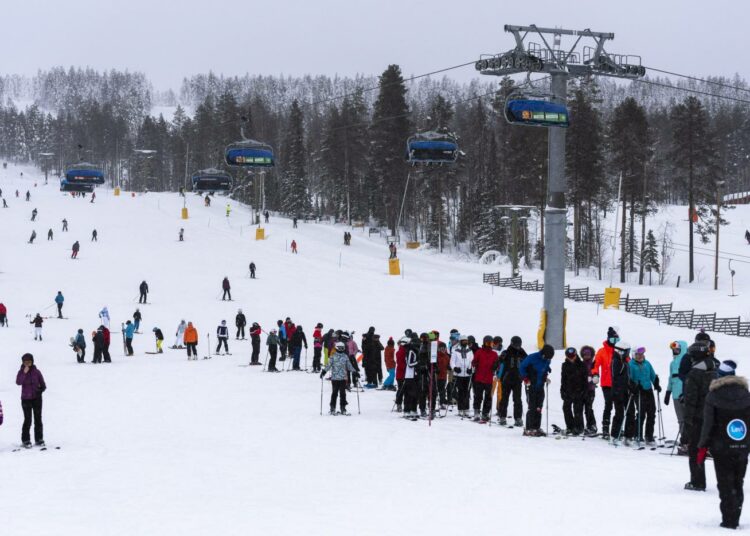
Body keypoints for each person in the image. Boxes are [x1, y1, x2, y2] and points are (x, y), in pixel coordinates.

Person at [698, 360, 750, 529]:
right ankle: (735, 514)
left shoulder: (713, 395)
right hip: (742, 445)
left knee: (725, 482)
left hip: (721, 447)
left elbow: (708, 423)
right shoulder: (746, 394)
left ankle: (729, 519)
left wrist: (702, 445)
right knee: (738, 481)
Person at [683, 338, 718, 491]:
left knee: (696, 449)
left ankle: (697, 482)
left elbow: (691, 400)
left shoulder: (694, 373)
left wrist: (687, 421)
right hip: (716, 415)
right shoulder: (716, 369)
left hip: (698, 417)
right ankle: (729, 482)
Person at [591, 326, 620, 439]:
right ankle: (605, 428)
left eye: (617, 340)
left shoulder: (619, 350)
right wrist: (595, 374)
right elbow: (595, 364)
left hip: (618, 383)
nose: (615, 342)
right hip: (607, 383)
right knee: (608, 405)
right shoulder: (602, 351)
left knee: (619, 406)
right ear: (608, 339)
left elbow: (628, 362)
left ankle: (617, 428)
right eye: (613, 340)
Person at [520, 344, 554, 436]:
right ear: (543, 353)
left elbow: (545, 369)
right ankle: (529, 428)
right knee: (532, 406)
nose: (548, 359)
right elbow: (522, 367)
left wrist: (545, 377)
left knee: (539, 407)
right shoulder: (532, 357)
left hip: (540, 385)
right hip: (530, 385)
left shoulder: (547, 359)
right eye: (547, 357)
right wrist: (526, 379)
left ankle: (536, 427)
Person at [629, 347, 661, 445]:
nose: (641, 356)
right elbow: (629, 378)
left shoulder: (647, 363)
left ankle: (649, 436)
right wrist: (634, 386)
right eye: (638, 355)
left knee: (651, 413)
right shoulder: (631, 365)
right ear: (634, 355)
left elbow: (652, 375)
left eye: (642, 354)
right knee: (641, 413)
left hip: (648, 390)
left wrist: (656, 383)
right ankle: (638, 435)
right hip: (639, 391)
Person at [16, 353, 46, 448]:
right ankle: (26, 440)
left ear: (32, 361)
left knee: (38, 419)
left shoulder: (37, 372)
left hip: (37, 399)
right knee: (27, 419)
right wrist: (24, 373)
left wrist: (39, 391)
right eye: (25, 362)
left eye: (29, 361)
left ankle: (39, 439)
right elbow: (18, 382)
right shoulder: (21, 372)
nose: (27, 363)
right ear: (23, 363)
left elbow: (43, 385)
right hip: (26, 399)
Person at [321, 341, 357, 415]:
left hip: (343, 378)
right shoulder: (333, 356)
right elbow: (328, 365)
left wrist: (354, 372)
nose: (341, 349)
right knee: (334, 393)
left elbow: (349, 365)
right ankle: (332, 407)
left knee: (343, 393)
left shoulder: (345, 356)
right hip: (335, 379)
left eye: (342, 348)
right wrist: (324, 371)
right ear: (336, 348)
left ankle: (343, 408)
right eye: (339, 348)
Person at [610, 342, 636, 444]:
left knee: (630, 413)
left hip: (626, 392)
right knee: (619, 414)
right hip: (618, 392)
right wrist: (619, 390)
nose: (628, 354)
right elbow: (616, 378)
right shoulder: (616, 362)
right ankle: (614, 436)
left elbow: (626, 377)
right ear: (620, 351)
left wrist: (631, 385)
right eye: (627, 352)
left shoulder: (624, 362)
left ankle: (628, 436)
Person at [498, 335, 526, 427]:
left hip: (518, 380)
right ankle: (502, 417)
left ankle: (518, 418)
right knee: (504, 399)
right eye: (516, 345)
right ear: (512, 344)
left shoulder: (522, 353)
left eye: (519, 345)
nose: (518, 346)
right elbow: (498, 363)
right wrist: (499, 361)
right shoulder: (506, 352)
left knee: (517, 400)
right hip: (506, 380)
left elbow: (528, 364)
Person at [666, 340, 689, 449]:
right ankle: (685, 439)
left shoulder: (688, 361)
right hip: (675, 395)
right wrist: (668, 391)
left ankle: (688, 440)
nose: (675, 351)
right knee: (681, 419)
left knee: (687, 418)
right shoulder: (672, 363)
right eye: (674, 350)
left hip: (685, 394)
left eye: (677, 349)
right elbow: (671, 378)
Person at [561, 347, 587, 435]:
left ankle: (579, 427)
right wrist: (562, 391)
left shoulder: (582, 365)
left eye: (573, 356)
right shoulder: (565, 365)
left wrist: (584, 391)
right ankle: (570, 427)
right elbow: (563, 379)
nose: (571, 358)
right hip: (568, 391)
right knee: (566, 408)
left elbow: (585, 380)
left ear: (576, 355)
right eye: (569, 356)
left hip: (579, 391)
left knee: (578, 410)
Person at [472, 335, 499, 422]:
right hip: (479, 378)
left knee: (488, 397)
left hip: (488, 379)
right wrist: (475, 363)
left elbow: (497, 364)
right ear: (484, 343)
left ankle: (485, 413)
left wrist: (496, 366)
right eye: (487, 343)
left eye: (491, 343)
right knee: (478, 396)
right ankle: (476, 412)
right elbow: (473, 362)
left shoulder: (494, 354)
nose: (489, 345)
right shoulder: (479, 352)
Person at [580, 345, 598, 435]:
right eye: (585, 355)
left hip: (590, 389)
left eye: (588, 355)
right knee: (580, 407)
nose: (586, 356)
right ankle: (582, 426)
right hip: (582, 389)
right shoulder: (580, 364)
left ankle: (592, 425)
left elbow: (596, 373)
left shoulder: (594, 363)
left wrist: (593, 378)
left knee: (588, 407)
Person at [437, 341, 450, 409]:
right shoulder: (436, 356)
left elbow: (448, 365)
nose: (443, 350)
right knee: (435, 390)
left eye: (444, 348)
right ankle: (431, 403)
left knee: (442, 390)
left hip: (443, 376)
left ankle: (442, 403)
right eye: (441, 348)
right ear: (438, 349)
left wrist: (449, 367)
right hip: (437, 376)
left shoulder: (446, 356)